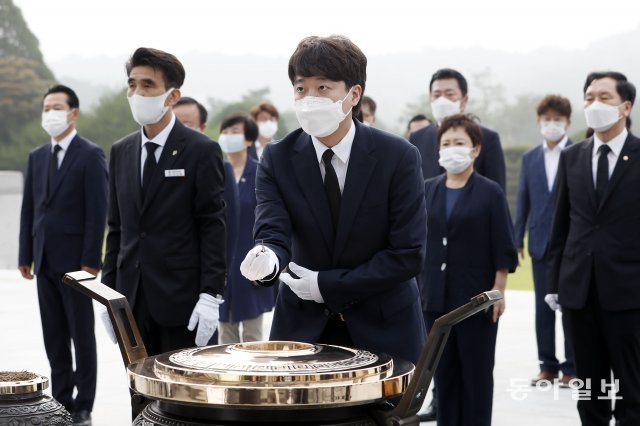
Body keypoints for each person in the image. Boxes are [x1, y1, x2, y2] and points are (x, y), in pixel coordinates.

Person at [239, 35, 427, 365]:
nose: (308, 98)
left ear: (353, 94)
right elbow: (273, 228)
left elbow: (408, 254)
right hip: (303, 331)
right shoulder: (278, 157)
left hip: (384, 326)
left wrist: (326, 285)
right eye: (301, 88)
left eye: (322, 88)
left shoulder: (397, 157)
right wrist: (267, 256)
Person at [101, 47, 227, 356]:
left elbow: (213, 225)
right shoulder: (122, 150)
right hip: (131, 301)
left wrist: (211, 294)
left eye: (148, 85)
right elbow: (117, 229)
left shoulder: (201, 150)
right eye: (132, 84)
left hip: (183, 302)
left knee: (186, 399)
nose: (137, 92)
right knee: (140, 396)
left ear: (172, 96)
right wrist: (107, 294)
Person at [547, 71, 640, 425]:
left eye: (604, 97)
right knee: (591, 390)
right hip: (579, 292)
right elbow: (561, 227)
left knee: (632, 390)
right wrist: (555, 283)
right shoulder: (573, 157)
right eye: (588, 98)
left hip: (629, 294)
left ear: (625, 106)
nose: (594, 105)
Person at [18, 84, 108, 426]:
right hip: (43, 259)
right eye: (46, 108)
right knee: (54, 336)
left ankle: (83, 405)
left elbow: (96, 211)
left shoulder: (89, 154)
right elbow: (30, 208)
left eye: (56, 107)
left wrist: (90, 260)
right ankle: (61, 400)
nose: (50, 114)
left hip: (76, 263)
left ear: (73, 113)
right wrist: (25, 252)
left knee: (81, 336)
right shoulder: (37, 156)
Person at [421, 113, 517, 426]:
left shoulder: (490, 192)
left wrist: (498, 291)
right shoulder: (427, 189)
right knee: (444, 377)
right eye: (446, 143)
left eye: (459, 142)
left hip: (476, 301)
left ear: (475, 149)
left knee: (476, 376)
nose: (452, 148)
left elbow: (503, 246)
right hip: (435, 301)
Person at [515, 95, 575, 387]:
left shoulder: (578, 153)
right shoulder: (530, 158)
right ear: (539, 122)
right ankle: (547, 366)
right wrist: (518, 239)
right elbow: (523, 201)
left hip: (571, 244)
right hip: (538, 242)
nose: (552, 124)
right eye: (547, 119)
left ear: (568, 123)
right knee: (542, 309)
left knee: (571, 306)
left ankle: (571, 367)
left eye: (558, 120)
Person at [217, 113, 274, 343]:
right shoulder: (215, 173)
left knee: (254, 339)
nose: (229, 137)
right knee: (225, 338)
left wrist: (264, 265)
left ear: (249, 140)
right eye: (226, 132)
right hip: (222, 267)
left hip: (251, 264)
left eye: (235, 132)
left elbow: (271, 219)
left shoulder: (261, 173)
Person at [173, 96, 239, 284]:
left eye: (187, 124)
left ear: (202, 128)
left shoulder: (220, 166)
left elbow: (229, 225)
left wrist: (220, 275)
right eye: (176, 123)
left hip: (201, 273)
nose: (181, 130)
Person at [409, 68, 506, 193]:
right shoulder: (417, 138)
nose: (442, 101)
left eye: (449, 94)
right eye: (437, 95)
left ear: (464, 100)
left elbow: (497, 188)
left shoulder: (487, 138)